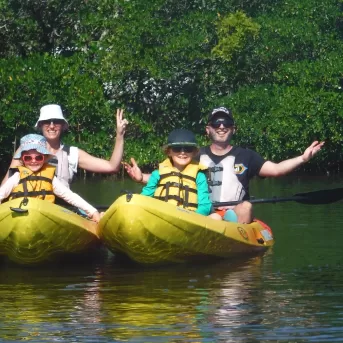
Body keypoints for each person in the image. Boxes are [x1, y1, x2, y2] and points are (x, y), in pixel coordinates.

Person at [124, 107, 324, 223]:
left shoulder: (246, 156)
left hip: (233, 214)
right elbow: (169, 176)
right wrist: (142, 178)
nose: (221, 127)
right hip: (202, 212)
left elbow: (277, 170)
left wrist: (303, 158)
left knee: (246, 207)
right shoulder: (193, 155)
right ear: (208, 129)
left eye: (226, 124)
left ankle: (234, 245)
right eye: (217, 123)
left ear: (233, 129)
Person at [1, 104, 128, 188]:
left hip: (61, 209)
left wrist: (119, 135)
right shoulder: (26, 148)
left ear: (63, 126)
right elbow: (8, 180)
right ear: (40, 125)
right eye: (46, 122)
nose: (51, 126)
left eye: (56, 121)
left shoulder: (73, 153)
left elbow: (112, 167)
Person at [0, 134, 101, 222]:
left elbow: (69, 196)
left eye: (38, 157)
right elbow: (1, 193)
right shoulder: (17, 176)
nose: (33, 161)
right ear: (22, 160)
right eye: (28, 158)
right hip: (17, 215)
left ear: (44, 158)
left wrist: (92, 212)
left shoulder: (51, 178)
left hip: (43, 216)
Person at [140, 129, 212, 216]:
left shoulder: (199, 176)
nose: (182, 152)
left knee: (216, 217)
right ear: (169, 152)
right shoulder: (157, 174)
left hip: (190, 218)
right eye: (177, 148)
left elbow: (205, 205)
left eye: (188, 149)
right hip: (160, 216)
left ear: (194, 152)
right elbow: (144, 197)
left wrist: (194, 218)